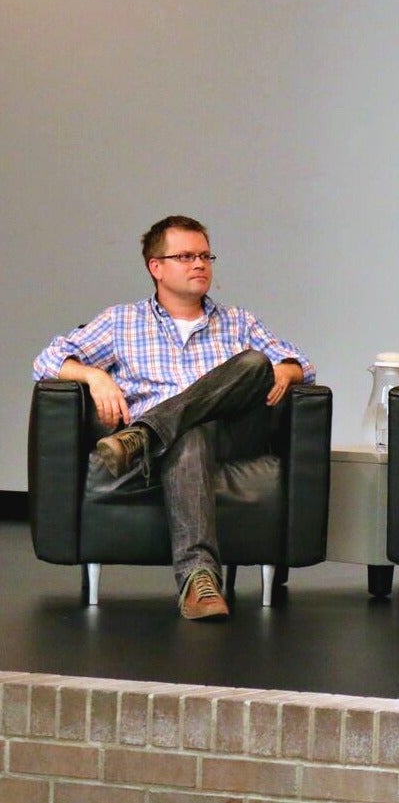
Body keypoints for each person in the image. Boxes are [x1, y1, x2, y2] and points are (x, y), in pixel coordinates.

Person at [32, 215, 315, 621]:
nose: (199, 264)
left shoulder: (239, 321)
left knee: (254, 363)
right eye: (185, 256)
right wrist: (94, 375)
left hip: (232, 436)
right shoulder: (121, 321)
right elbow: (47, 359)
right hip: (187, 444)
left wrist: (284, 371)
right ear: (156, 267)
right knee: (188, 434)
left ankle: (145, 435)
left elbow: (299, 361)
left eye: (204, 255)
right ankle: (199, 580)